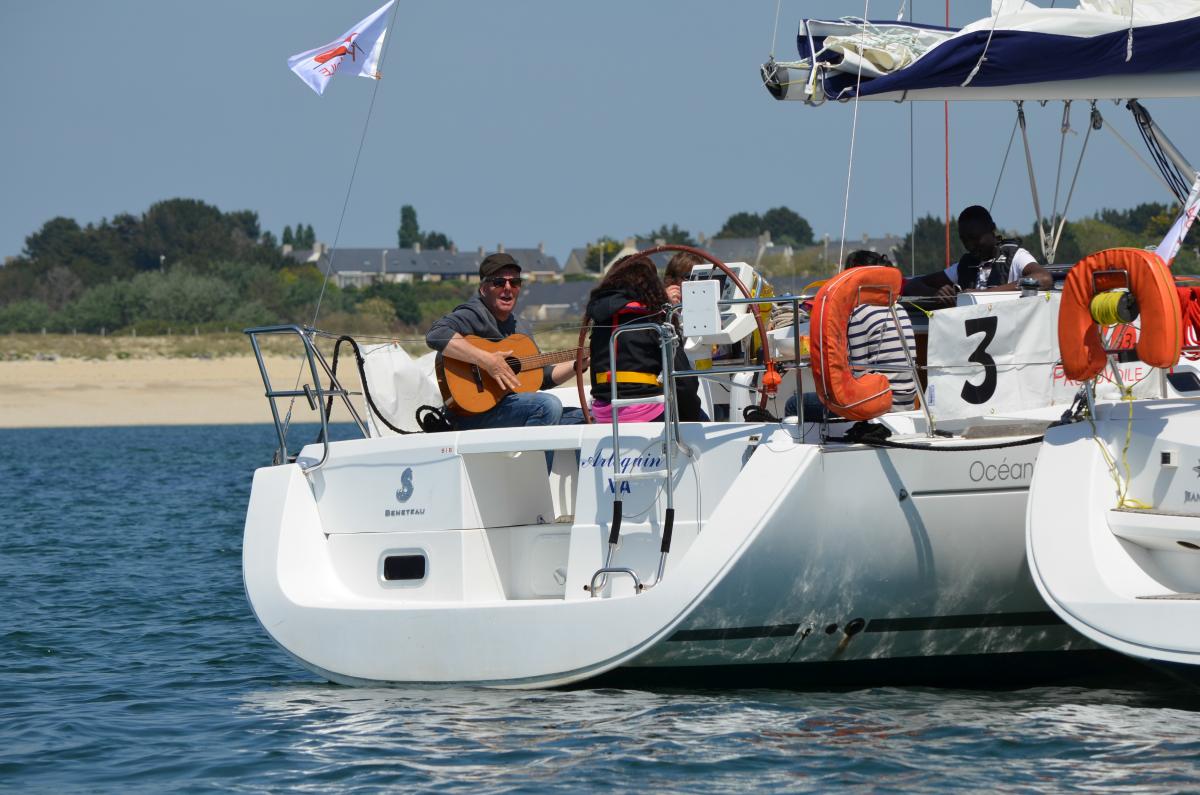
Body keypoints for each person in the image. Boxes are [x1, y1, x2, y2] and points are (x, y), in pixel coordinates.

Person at [426, 252, 586, 430]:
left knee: (586, 417)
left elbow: (542, 377)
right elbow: (436, 334)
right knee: (548, 405)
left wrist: (578, 364)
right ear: (483, 289)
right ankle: (529, 449)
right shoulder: (474, 313)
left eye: (515, 282)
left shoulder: (521, 325)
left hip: (510, 407)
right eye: (499, 282)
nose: (508, 288)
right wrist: (487, 361)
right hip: (469, 414)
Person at [788, 250, 918, 415]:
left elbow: (858, 374)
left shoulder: (859, 313)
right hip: (907, 404)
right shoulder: (899, 308)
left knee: (794, 404)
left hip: (881, 406)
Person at [587, 256, 707, 423]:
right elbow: (684, 382)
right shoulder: (654, 318)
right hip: (644, 413)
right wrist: (690, 419)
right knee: (703, 421)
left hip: (603, 415)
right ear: (651, 283)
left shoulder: (600, 318)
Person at [903, 205, 1053, 300]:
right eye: (964, 240)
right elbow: (912, 286)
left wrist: (982, 294)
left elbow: (1044, 278)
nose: (970, 246)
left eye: (975, 238)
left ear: (992, 229)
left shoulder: (1016, 257)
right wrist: (937, 295)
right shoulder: (963, 267)